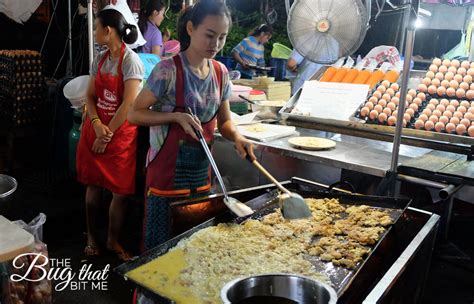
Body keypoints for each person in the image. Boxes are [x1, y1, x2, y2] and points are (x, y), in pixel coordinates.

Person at [128, 0, 255, 250]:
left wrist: (238, 138)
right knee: (160, 249)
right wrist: (174, 117)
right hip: (165, 179)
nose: (215, 44)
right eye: (209, 35)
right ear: (190, 29)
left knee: (192, 246)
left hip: (200, 177)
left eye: (222, 37)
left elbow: (225, 122)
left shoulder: (220, 73)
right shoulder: (168, 70)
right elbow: (135, 114)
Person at [76, 8, 144, 261]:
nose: (94, 32)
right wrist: (95, 124)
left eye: (96, 28)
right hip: (95, 130)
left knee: (121, 192)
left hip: (120, 135)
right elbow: (90, 96)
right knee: (93, 185)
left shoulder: (131, 61)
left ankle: (112, 240)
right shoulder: (100, 59)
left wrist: (107, 135)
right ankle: (92, 237)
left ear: (108, 30)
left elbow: (129, 104)